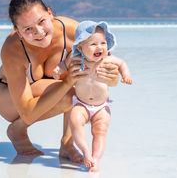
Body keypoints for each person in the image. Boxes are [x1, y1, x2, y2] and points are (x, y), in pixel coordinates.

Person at [0, 0, 120, 163]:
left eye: (42, 21)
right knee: (71, 91)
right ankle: (17, 129)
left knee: (79, 80)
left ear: (50, 13)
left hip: (50, 88)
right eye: (28, 29)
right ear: (18, 32)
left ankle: (67, 145)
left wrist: (113, 78)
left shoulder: (74, 32)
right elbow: (27, 113)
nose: (39, 32)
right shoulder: (12, 49)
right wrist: (67, 82)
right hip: (9, 98)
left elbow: (107, 74)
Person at [53, 21, 133, 172]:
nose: (100, 47)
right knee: (75, 121)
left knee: (100, 131)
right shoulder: (76, 60)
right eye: (93, 44)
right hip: (81, 104)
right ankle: (86, 152)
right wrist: (58, 70)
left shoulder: (107, 59)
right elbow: (64, 64)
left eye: (103, 43)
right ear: (80, 47)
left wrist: (126, 75)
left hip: (102, 106)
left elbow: (122, 63)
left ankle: (95, 159)